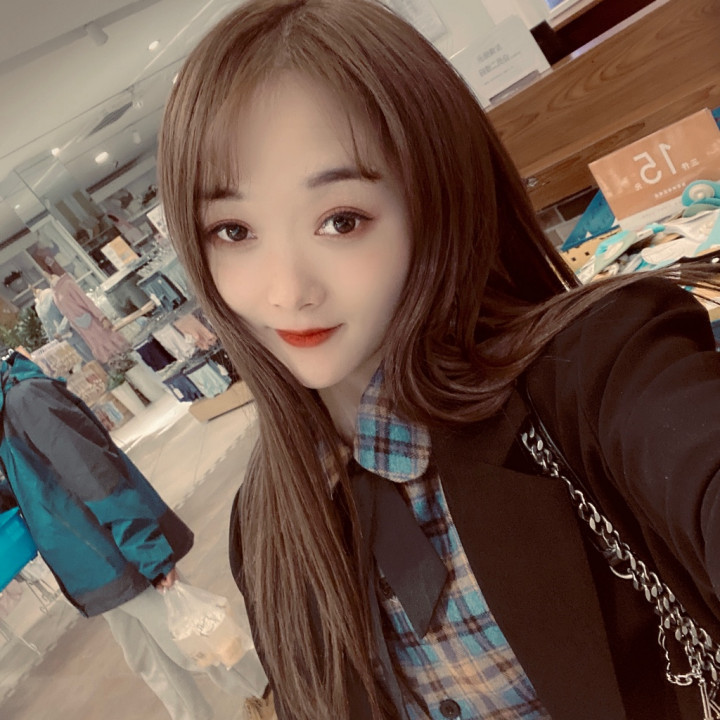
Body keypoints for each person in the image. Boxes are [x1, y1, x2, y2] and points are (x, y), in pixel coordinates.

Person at [156, 1, 720, 719]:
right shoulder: (266, 519)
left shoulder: (596, 369)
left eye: (341, 221)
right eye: (234, 231)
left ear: (432, 197)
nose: (287, 291)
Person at [0, 351, 267, 720]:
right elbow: (36, 484)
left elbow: (95, 475)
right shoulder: (8, 415)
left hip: (116, 554)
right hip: (90, 568)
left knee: (201, 643)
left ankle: (276, 694)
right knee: (150, 662)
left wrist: (148, 552)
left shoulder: (26, 400)